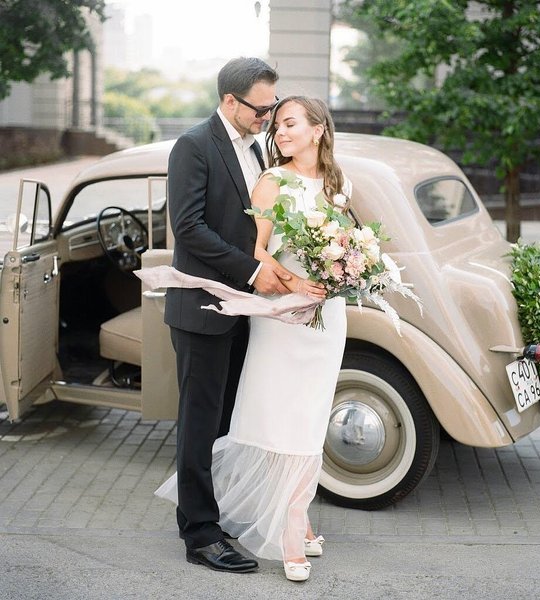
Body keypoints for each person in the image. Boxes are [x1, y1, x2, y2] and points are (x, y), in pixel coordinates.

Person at [156, 96, 351, 582]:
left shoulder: (339, 183)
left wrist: (350, 270)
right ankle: (287, 527)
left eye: (289, 123)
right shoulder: (272, 179)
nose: (278, 131)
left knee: (311, 418)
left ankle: (298, 513)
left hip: (327, 316)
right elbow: (256, 249)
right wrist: (297, 283)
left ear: (318, 130)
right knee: (279, 418)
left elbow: (351, 243)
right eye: (275, 123)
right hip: (282, 316)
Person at [164, 57, 295, 574]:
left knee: (227, 422)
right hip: (202, 309)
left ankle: (217, 516)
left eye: (272, 107)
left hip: (245, 311)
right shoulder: (193, 146)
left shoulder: (257, 146)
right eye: (261, 109)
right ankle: (199, 535)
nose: (268, 117)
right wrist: (252, 271)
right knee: (199, 426)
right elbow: (189, 227)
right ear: (229, 101)